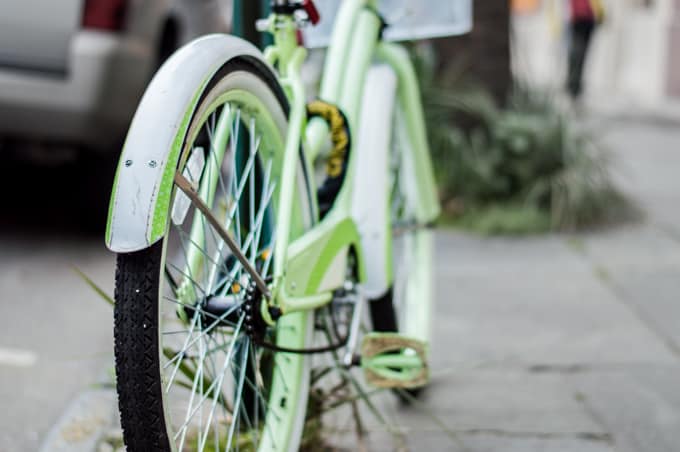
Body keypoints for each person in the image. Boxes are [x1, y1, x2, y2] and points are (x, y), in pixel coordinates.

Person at [567, 0, 604, 100]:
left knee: (580, 53)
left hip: (588, 18)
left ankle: (575, 86)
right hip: (578, 18)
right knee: (577, 53)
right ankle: (572, 86)